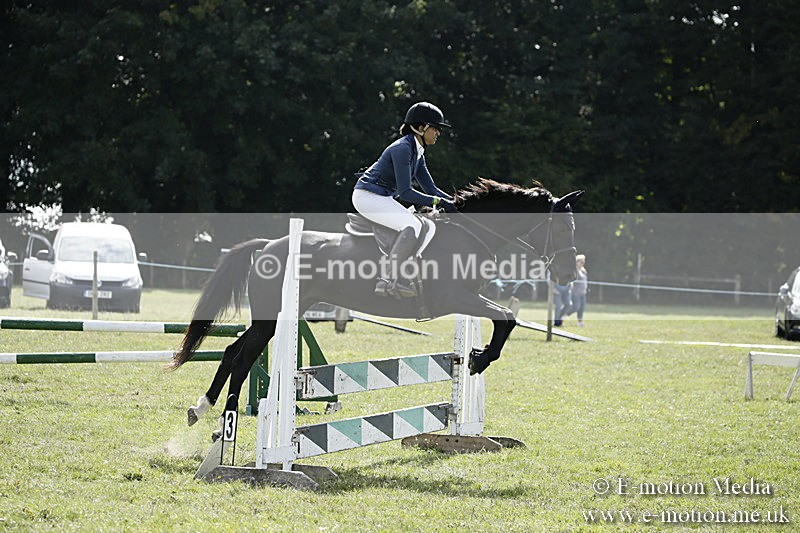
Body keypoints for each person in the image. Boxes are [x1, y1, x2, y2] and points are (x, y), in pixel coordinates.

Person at [352, 102, 458, 299]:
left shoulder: (417, 151)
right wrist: (439, 202)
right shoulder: (403, 149)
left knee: (418, 224)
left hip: (380, 196)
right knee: (412, 225)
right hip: (367, 197)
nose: (438, 133)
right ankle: (387, 280)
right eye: (435, 128)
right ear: (420, 128)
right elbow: (406, 192)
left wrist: (456, 202)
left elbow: (431, 189)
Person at [569, 254, 588, 326]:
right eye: (581, 262)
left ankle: (580, 322)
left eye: (583, 262)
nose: (582, 263)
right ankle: (564, 314)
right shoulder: (574, 271)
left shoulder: (584, 271)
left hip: (583, 292)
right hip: (575, 292)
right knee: (576, 306)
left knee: (582, 307)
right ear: (576, 262)